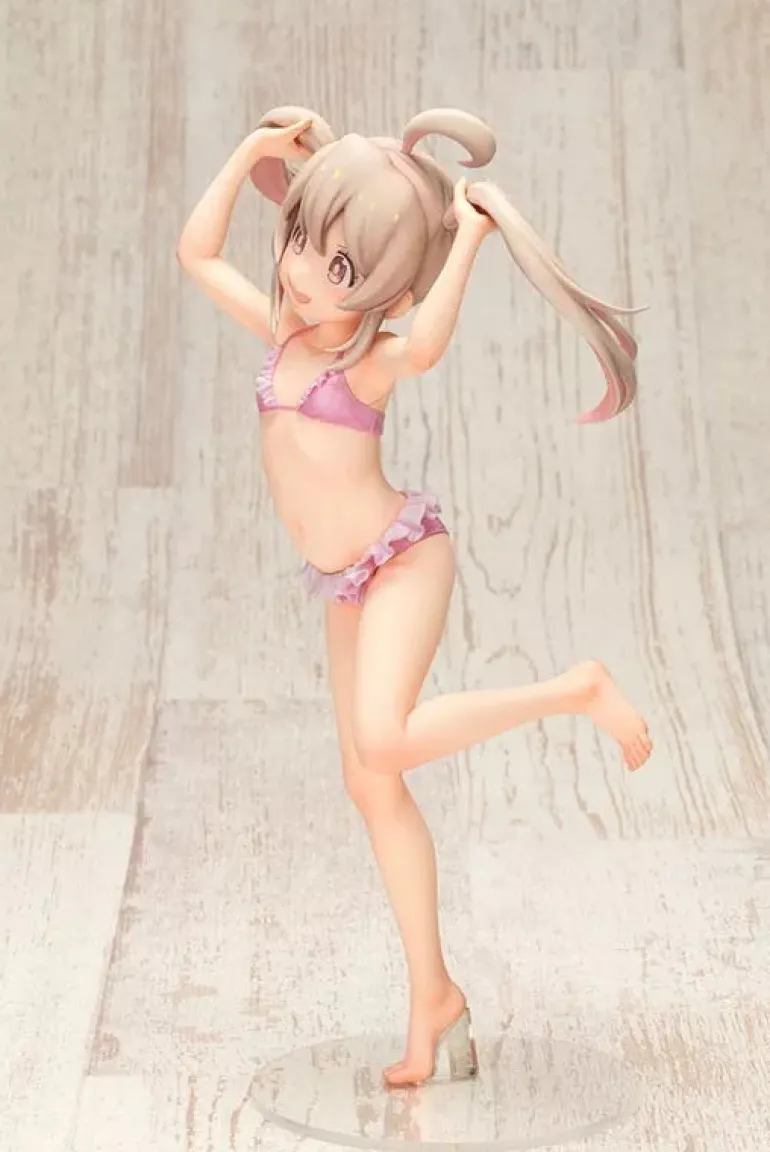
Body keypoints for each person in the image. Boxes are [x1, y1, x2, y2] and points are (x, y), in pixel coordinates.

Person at [176, 105, 652, 1089]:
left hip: (402, 561)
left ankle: (574, 689)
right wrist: (253, 151)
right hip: (345, 582)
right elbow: (196, 253)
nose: (303, 275)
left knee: (384, 743)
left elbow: (427, 344)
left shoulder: (371, 360)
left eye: (340, 266)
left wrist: (468, 235)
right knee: (370, 785)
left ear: (388, 286)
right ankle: (433, 995)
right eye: (301, 242)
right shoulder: (284, 332)